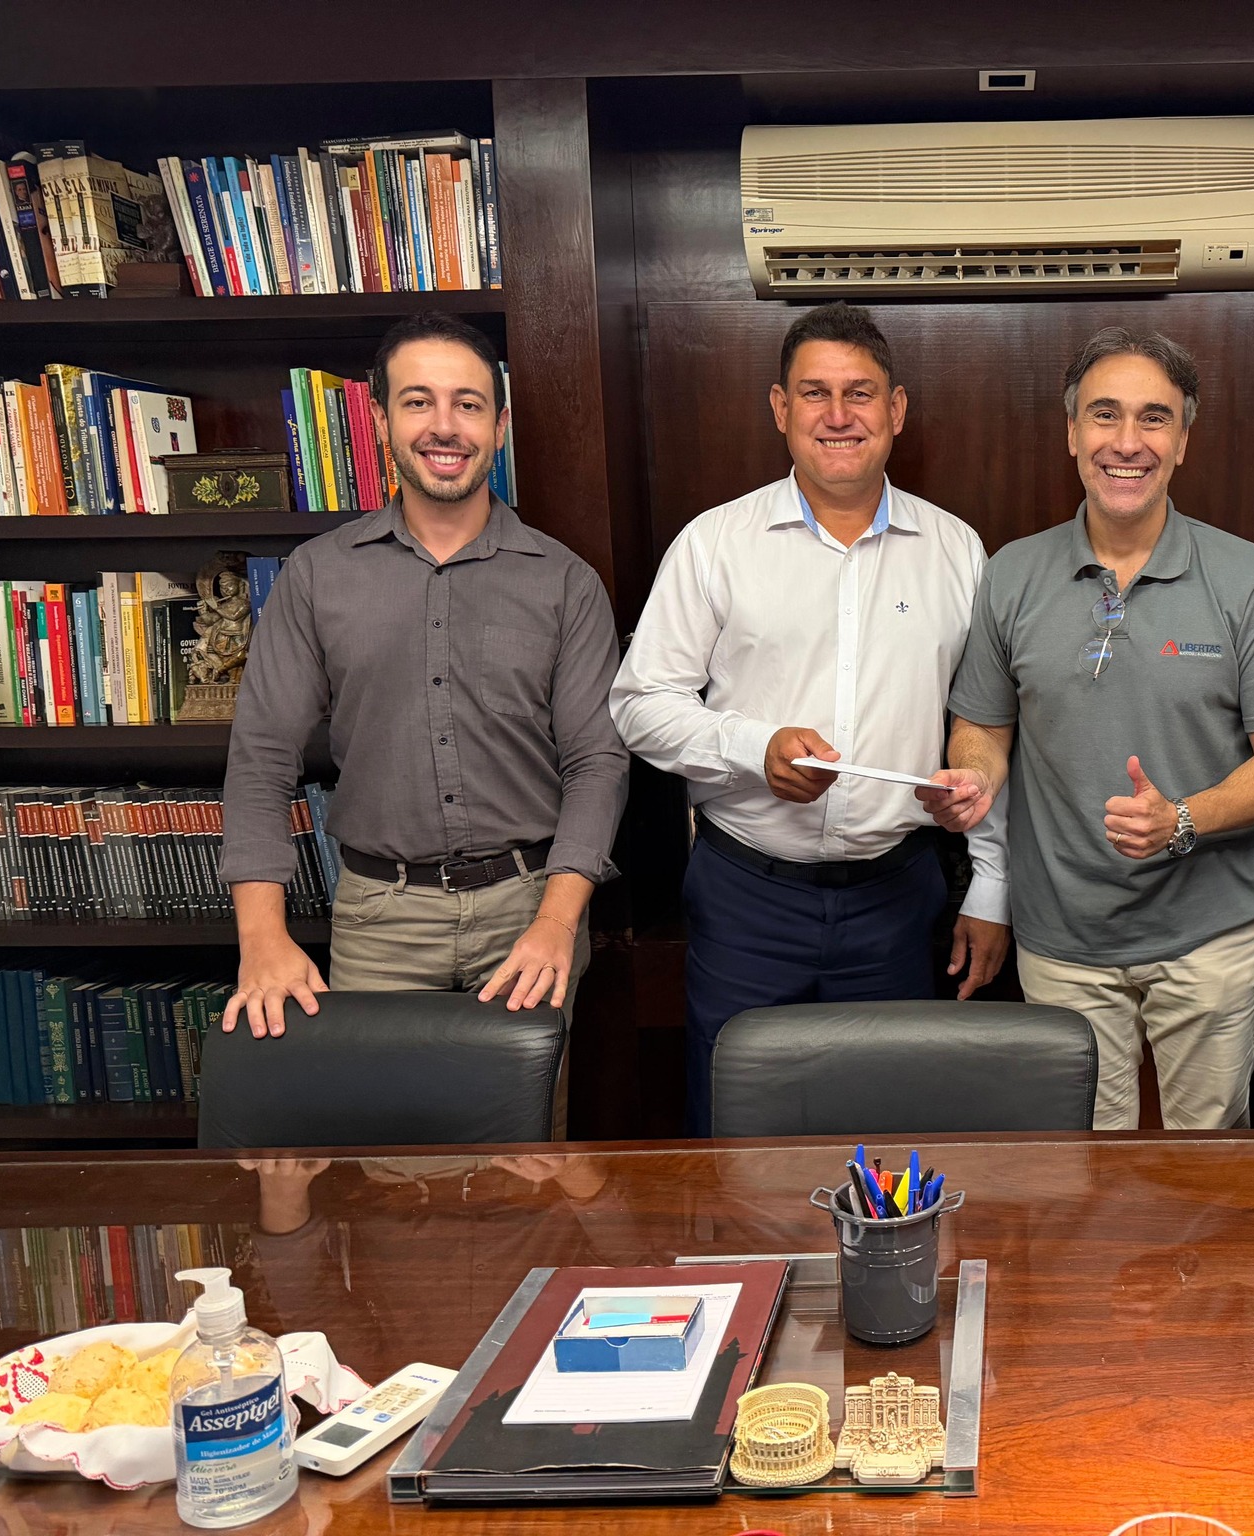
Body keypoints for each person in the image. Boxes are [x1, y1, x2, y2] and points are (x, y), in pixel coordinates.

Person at [610, 302, 1010, 1138]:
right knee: (738, 1138)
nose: (838, 415)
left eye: (859, 393)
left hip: (899, 901)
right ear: (780, 408)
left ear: (895, 409)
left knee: (889, 1141)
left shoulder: (958, 553)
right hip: (747, 899)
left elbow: (988, 724)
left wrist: (993, 887)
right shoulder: (714, 544)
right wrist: (753, 748)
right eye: (814, 393)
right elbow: (639, 705)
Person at [927, 328, 1254, 1131]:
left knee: (1206, 1169)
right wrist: (972, 775)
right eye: (1105, 415)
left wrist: (1183, 819)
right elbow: (983, 730)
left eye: (1154, 418)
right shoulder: (1011, 574)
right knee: (1085, 1172)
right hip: (1062, 939)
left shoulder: (1246, 576)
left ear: (1183, 440)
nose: (1127, 442)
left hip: (1212, 936)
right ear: (1072, 433)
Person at [220, 312, 628, 1071]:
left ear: (499, 426)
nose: (445, 426)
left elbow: (597, 763)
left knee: (524, 1140)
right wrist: (262, 936)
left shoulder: (565, 583)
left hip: (530, 911)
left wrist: (557, 923)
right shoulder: (316, 576)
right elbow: (262, 757)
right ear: (380, 420)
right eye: (418, 402)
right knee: (383, 1142)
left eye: (468, 404)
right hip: (379, 919)